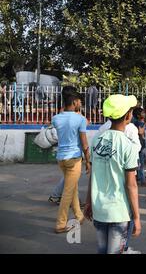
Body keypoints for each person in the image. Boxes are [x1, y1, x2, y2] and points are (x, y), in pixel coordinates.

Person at [83, 94, 141, 254]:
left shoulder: (97, 139)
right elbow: (131, 185)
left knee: (102, 250)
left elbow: (92, 175)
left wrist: (88, 202)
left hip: (99, 208)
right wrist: (136, 217)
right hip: (119, 212)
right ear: (128, 116)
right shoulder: (128, 146)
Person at [52, 90, 90, 233]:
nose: (80, 103)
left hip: (61, 159)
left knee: (71, 187)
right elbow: (84, 143)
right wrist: (88, 161)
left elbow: (64, 117)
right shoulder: (79, 119)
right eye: (79, 101)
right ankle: (61, 223)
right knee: (68, 192)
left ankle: (79, 215)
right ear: (74, 102)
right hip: (74, 159)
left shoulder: (55, 118)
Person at [132, 107, 146, 187]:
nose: (144, 114)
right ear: (138, 115)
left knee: (139, 163)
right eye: (142, 113)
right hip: (138, 145)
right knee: (140, 163)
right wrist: (144, 125)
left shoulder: (137, 121)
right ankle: (142, 180)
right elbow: (140, 132)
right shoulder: (138, 122)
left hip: (140, 145)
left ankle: (139, 177)